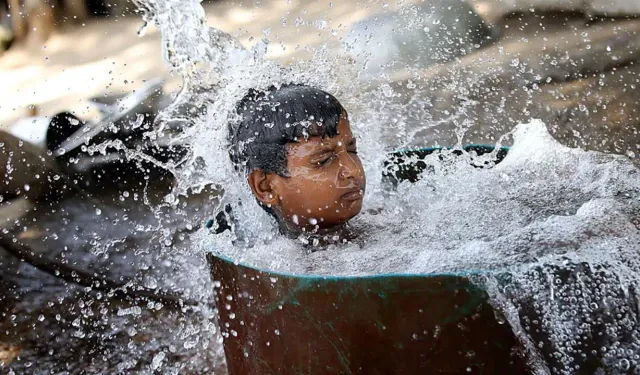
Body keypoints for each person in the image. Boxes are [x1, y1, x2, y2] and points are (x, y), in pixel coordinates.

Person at [221, 84, 366, 245]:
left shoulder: (381, 222)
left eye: (352, 150)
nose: (353, 170)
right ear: (265, 187)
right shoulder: (269, 265)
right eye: (324, 160)